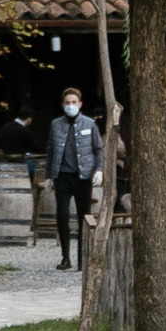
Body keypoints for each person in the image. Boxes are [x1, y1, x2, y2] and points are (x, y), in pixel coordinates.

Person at [49, 84, 103, 271]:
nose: (70, 105)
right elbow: (51, 150)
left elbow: (98, 149)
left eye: (74, 102)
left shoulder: (90, 124)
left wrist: (99, 170)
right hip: (62, 176)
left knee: (84, 217)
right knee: (62, 215)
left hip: (83, 177)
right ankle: (65, 257)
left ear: (80, 104)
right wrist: (50, 176)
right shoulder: (56, 125)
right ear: (62, 105)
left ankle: (83, 258)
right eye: (67, 102)